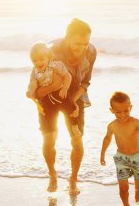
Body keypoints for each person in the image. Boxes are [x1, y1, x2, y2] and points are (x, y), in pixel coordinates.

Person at [35, 18, 97, 194]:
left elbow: (86, 82)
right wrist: (55, 88)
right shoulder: (50, 51)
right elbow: (37, 90)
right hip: (49, 97)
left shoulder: (91, 51)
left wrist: (73, 101)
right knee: (49, 139)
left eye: (86, 43)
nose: (82, 48)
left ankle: (73, 180)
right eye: (78, 43)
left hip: (74, 96)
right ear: (66, 38)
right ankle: (53, 174)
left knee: (77, 139)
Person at [100, 92, 139, 206]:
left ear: (130, 107)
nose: (122, 115)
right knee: (123, 187)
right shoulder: (112, 126)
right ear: (112, 111)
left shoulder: (135, 122)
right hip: (121, 158)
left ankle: (138, 193)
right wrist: (102, 155)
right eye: (118, 112)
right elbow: (107, 139)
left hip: (137, 158)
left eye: (126, 111)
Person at [26, 42, 80, 132]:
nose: (38, 63)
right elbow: (33, 82)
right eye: (34, 61)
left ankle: (74, 126)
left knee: (70, 108)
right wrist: (30, 91)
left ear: (49, 58)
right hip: (45, 96)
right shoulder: (34, 71)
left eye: (41, 59)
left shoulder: (56, 65)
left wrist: (65, 88)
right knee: (47, 113)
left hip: (59, 91)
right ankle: (51, 129)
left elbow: (67, 76)